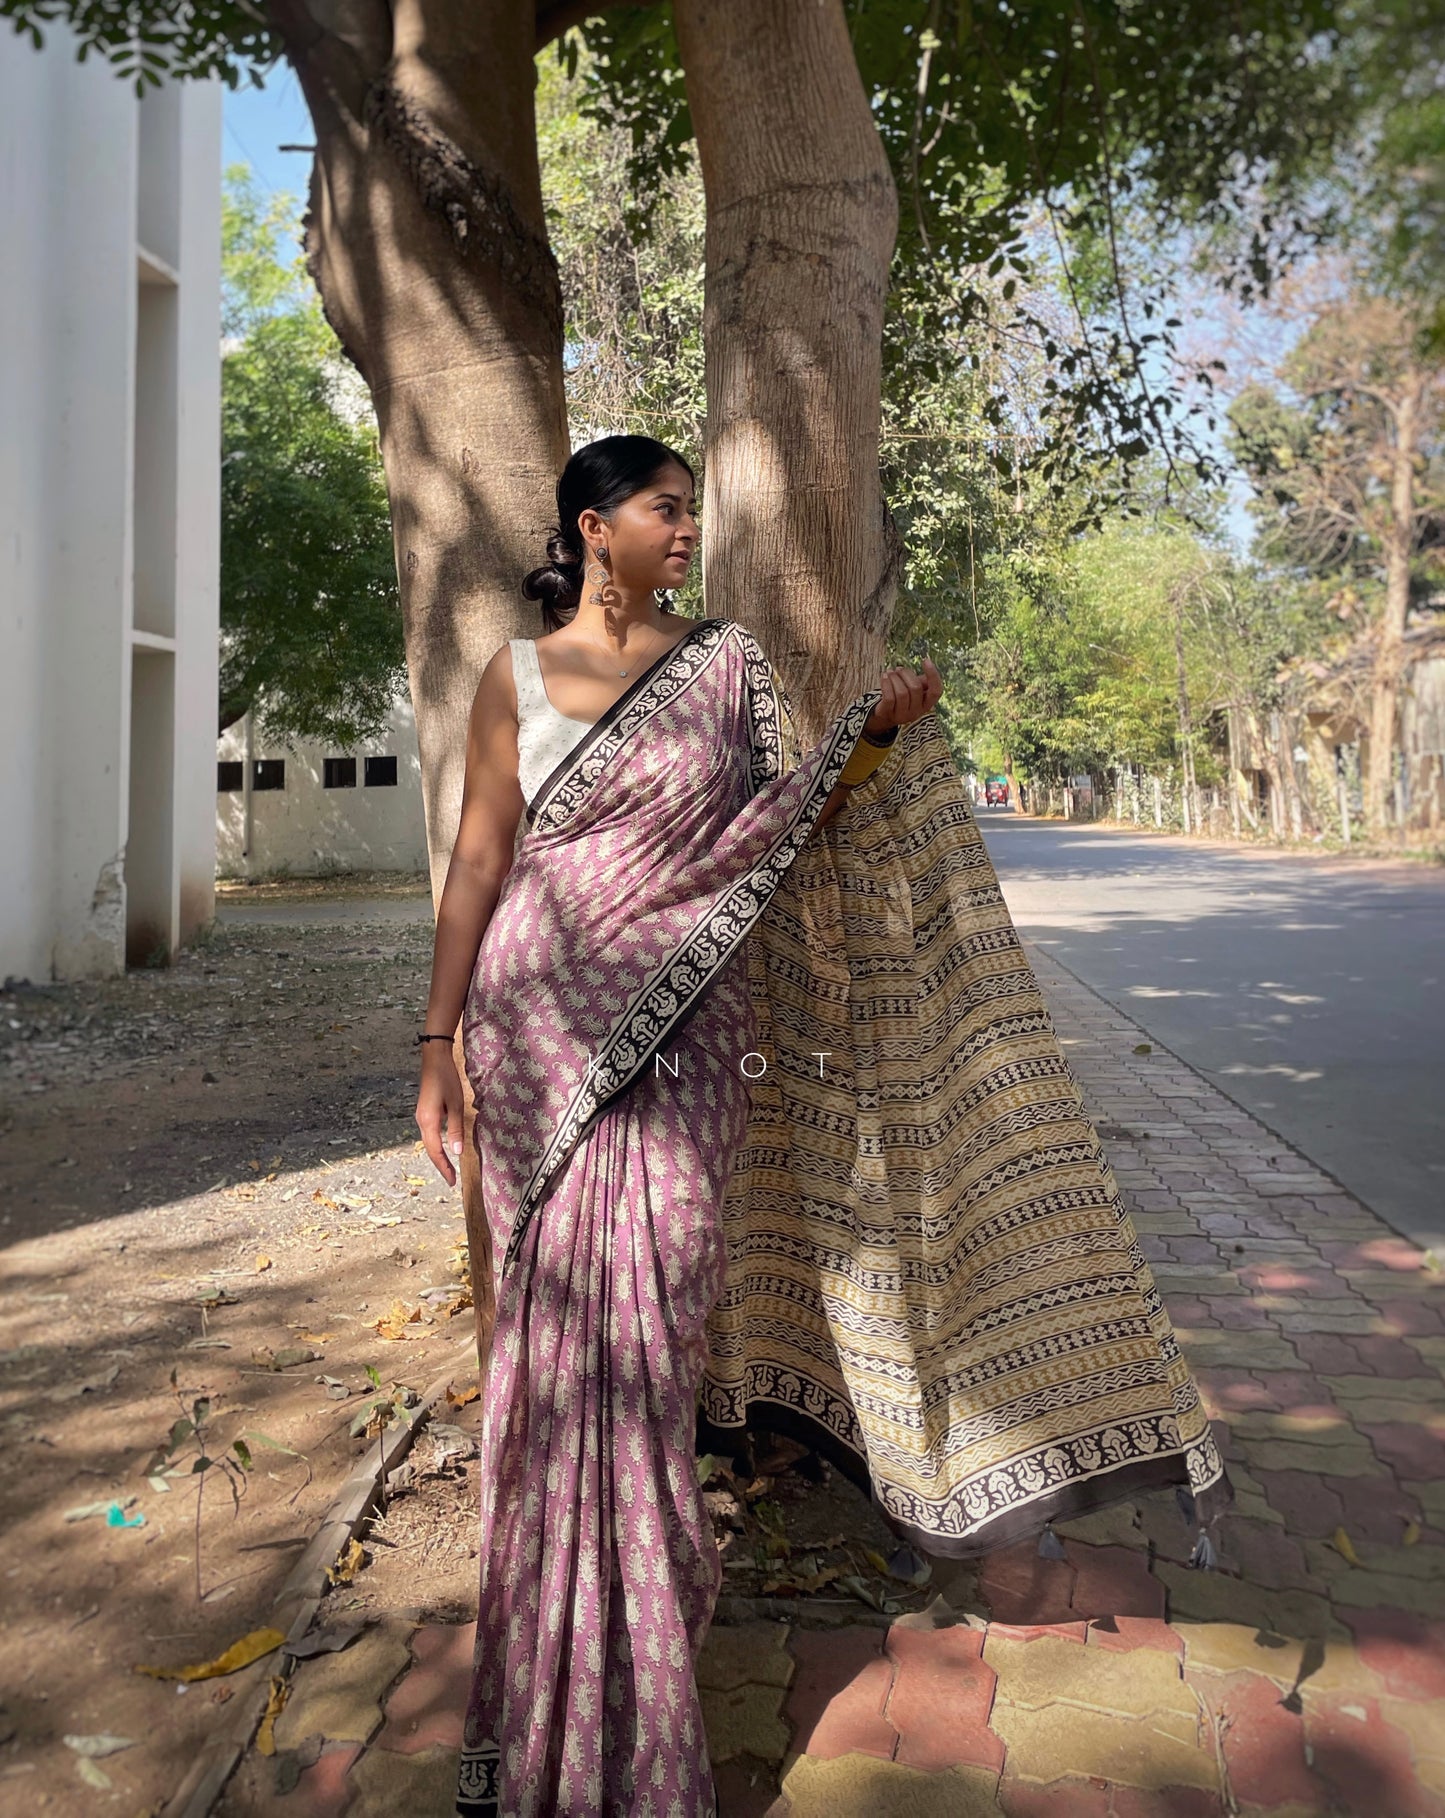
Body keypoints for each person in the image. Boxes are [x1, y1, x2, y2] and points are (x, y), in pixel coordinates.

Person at [416, 435, 1228, 1818]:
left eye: (692, 511)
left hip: (680, 1058)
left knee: (650, 1365)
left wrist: (872, 742)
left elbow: (772, 835)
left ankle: (639, 1716)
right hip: (533, 1042)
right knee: (547, 1379)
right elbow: (484, 861)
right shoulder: (511, 678)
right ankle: (517, 1744)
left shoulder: (724, 668)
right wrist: (435, 1044)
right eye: (665, 509)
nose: (686, 530)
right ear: (590, 523)